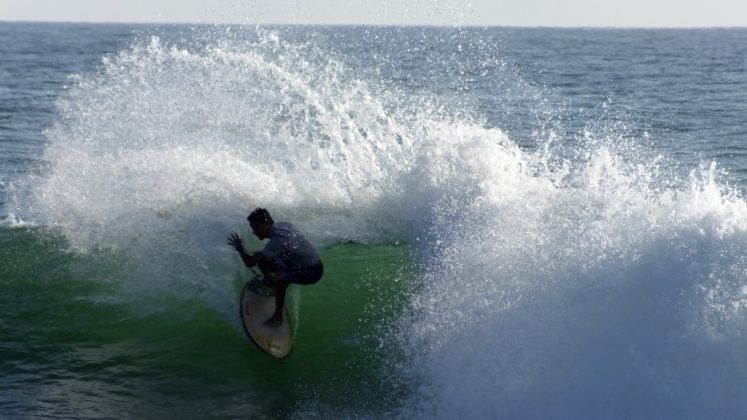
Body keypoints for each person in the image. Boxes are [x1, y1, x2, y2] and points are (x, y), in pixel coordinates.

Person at [227, 208, 323, 327]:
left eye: (256, 227)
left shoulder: (278, 241)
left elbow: (250, 263)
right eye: (253, 228)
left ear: (267, 223)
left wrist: (240, 248)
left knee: (277, 277)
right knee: (262, 259)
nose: (254, 232)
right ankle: (273, 285)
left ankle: (278, 317)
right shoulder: (282, 225)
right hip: (296, 264)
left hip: (312, 271)